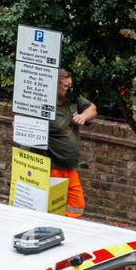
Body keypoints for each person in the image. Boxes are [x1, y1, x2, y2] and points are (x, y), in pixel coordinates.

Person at [46, 68, 98, 218]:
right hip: (53, 167)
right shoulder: (45, 104)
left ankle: (67, 229)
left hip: (69, 167)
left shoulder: (73, 99)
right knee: (54, 207)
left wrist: (83, 116)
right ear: (55, 86)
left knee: (76, 205)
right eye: (66, 86)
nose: (70, 89)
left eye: (71, 85)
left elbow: (92, 109)